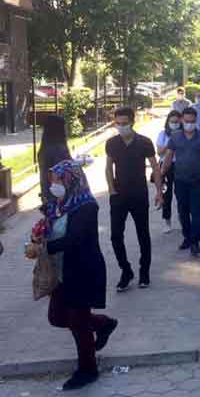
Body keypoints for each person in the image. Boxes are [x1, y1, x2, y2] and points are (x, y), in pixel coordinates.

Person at [29, 160, 118, 390]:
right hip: (61, 269)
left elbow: (75, 239)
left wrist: (44, 248)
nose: (54, 185)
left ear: (71, 180)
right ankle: (103, 323)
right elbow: (51, 228)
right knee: (57, 317)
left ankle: (88, 370)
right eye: (53, 181)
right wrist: (39, 235)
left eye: (58, 180)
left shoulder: (86, 206)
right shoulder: (60, 203)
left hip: (82, 269)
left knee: (78, 323)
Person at [106, 107, 163, 292]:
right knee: (115, 236)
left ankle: (144, 272)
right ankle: (126, 270)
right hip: (119, 195)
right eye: (118, 123)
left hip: (139, 194)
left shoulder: (145, 142)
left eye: (125, 123)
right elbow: (108, 168)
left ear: (132, 122)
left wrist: (159, 192)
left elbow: (155, 167)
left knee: (143, 235)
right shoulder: (112, 143)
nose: (121, 127)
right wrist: (112, 190)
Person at [161, 107, 200, 256]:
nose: (189, 124)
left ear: (196, 121)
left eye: (192, 121)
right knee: (182, 212)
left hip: (198, 181)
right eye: (186, 121)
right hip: (180, 181)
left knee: (196, 213)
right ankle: (187, 237)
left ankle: (195, 242)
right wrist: (162, 173)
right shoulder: (175, 137)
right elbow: (169, 156)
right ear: (182, 121)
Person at [156, 110, 182, 234]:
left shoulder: (184, 134)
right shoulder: (163, 134)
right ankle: (167, 221)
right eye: (172, 122)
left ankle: (183, 218)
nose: (175, 124)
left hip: (180, 165)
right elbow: (160, 152)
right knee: (167, 194)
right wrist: (170, 140)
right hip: (166, 165)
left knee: (181, 193)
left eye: (177, 122)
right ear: (168, 122)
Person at [37, 115, 72, 203]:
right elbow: (64, 172)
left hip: (49, 193)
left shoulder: (44, 148)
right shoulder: (59, 149)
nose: (66, 131)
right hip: (60, 196)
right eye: (63, 128)